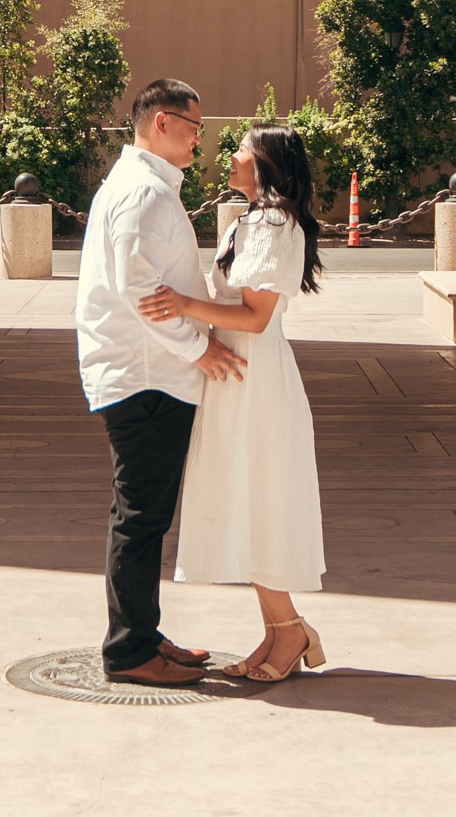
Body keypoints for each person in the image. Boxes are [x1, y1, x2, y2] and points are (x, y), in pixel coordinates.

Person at [140, 123, 328, 682]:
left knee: (262, 498)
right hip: (235, 375)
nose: (232, 156)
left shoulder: (275, 224)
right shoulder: (249, 219)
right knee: (247, 500)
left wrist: (183, 306)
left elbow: (256, 316)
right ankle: (278, 632)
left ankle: (290, 630)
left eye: (242, 150)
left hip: (257, 376)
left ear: (266, 163)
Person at [74, 75, 242, 688]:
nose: (202, 140)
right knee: (141, 517)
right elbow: (141, 292)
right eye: (195, 127)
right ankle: (129, 652)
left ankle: (142, 632)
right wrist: (199, 350)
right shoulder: (143, 193)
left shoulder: (146, 187)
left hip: (148, 374)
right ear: (163, 123)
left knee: (141, 512)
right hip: (146, 378)